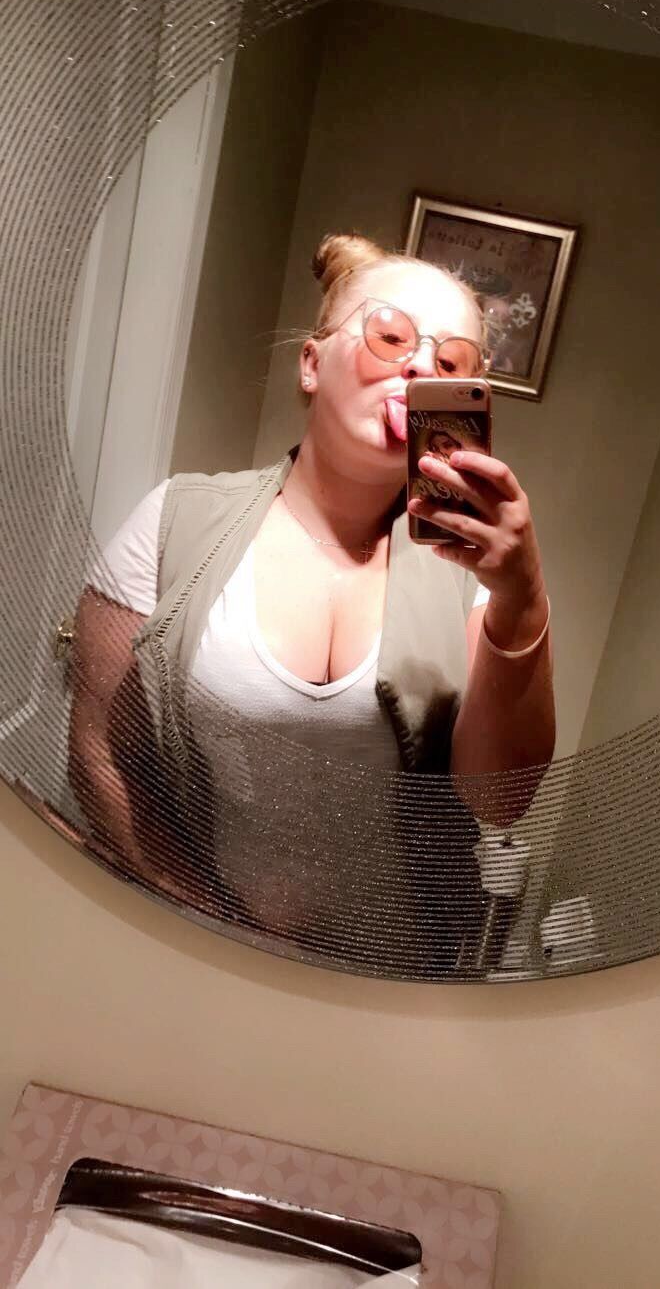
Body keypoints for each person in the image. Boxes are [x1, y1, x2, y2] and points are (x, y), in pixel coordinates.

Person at [69, 233, 555, 966]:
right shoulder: (174, 526)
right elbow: (103, 755)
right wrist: (207, 925)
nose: (419, 367)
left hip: (396, 975)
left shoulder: (471, 572)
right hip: (199, 951)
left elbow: (500, 801)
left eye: (451, 363)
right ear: (311, 363)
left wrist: (522, 596)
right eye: (390, 337)